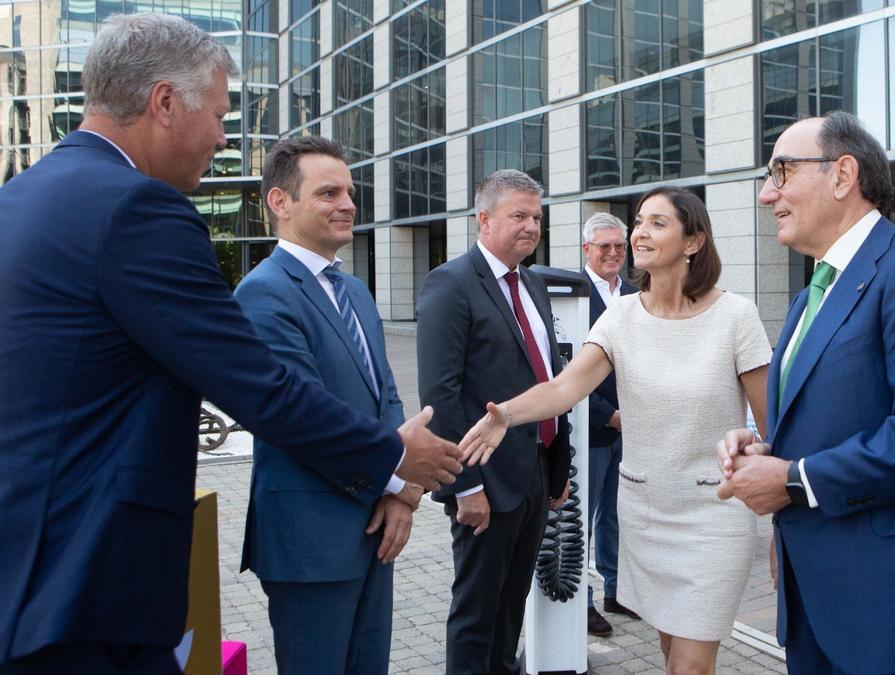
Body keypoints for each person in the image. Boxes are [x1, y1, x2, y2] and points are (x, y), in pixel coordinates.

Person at [0, 15, 461, 674]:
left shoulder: (22, 197)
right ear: (163, 102)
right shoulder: (138, 210)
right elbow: (257, 383)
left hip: (33, 565)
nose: (222, 136)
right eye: (218, 114)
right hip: (88, 585)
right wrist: (393, 453)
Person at [716, 112, 895, 675]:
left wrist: (792, 479)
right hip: (817, 599)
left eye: (780, 170)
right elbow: (827, 419)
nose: (765, 194)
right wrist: (761, 448)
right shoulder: (811, 296)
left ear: (842, 174)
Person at [461, 186, 771, 675]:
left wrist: (766, 467)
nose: (640, 233)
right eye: (640, 221)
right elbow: (564, 389)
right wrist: (508, 414)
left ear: (693, 242)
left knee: (690, 664)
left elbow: (771, 422)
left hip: (714, 516)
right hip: (647, 512)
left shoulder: (737, 316)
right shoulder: (621, 316)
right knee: (672, 653)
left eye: (657, 223)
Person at [234, 136, 423, 674]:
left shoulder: (354, 290)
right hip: (309, 542)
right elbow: (304, 418)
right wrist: (399, 478)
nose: (348, 204)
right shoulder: (264, 292)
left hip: (373, 528)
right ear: (280, 202)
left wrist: (399, 498)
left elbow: (385, 393)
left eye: (350, 191)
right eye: (328, 192)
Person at [415, 169, 572, 675]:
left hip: (533, 475)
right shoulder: (451, 283)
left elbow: (549, 376)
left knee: (510, 611)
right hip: (485, 481)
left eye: (537, 218)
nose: (531, 227)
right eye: (518, 216)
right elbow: (440, 395)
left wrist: (557, 465)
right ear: (484, 219)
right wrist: (465, 487)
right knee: (477, 613)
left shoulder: (533, 283)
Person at [579, 212, 640, 637]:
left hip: (635, 429)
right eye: (605, 246)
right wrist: (609, 415)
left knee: (620, 514)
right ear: (587, 250)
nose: (614, 253)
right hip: (596, 428)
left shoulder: (637, 294)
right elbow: (565, 367)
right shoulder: (569, 295)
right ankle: (579, 603)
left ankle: (616, 590)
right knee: (581, 517)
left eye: (620, 246)